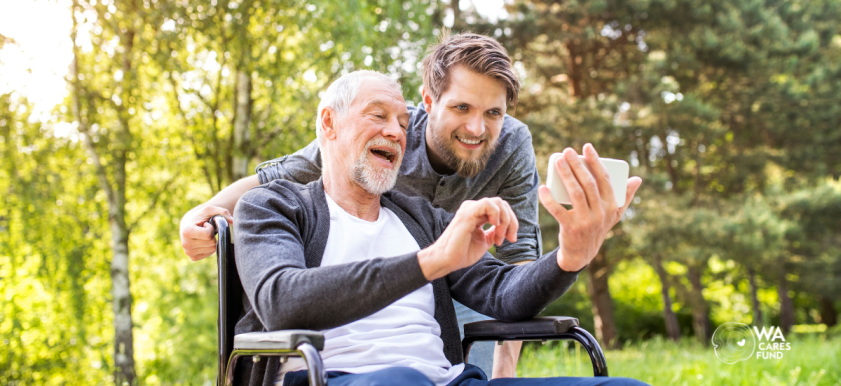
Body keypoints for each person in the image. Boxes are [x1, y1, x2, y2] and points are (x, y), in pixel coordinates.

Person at [180, 32, 622, 377]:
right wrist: (204, 213)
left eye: (492, 113)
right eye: (378, 116)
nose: (477, 127)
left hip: (445, 314)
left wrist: (570, 256)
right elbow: (278, 184)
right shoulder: (280, 206)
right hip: (357, 357)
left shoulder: (430, 213)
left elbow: (509, 276)